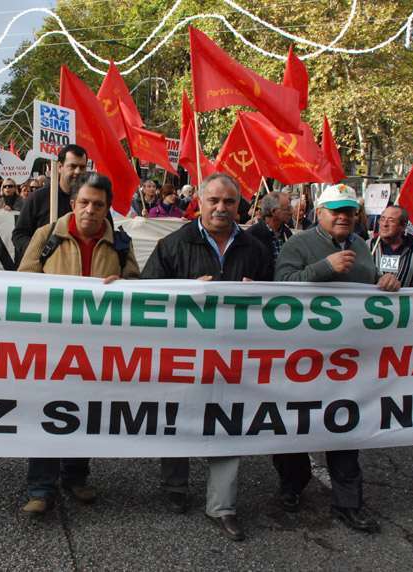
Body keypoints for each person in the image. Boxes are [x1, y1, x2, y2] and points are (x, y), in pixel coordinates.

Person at [141, 173, 272, 542]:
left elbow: (277, 303)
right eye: (213, 200)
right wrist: (183, 291)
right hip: (183, 354)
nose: (221, 208)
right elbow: (147, 294)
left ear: (238, 205)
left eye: (229, 202)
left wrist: (261, 294)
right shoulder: (173, 244)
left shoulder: (255, 249)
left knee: (229, 424)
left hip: (234, 357)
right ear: (200, 201)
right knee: (178, 418)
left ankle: (223, 506)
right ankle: (175, 486)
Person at [273, 183, 400, 534]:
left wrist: (384, 281)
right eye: (336, 211)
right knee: (297, 424)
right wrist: (324, 267)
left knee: (345, 426)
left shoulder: (360, 245)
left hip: (348, 358)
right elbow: (281, 286)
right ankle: (291, 484)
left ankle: (349, 503)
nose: (343, 217)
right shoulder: (299, 244)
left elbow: (369, 282)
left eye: (349, 211)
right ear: (319, 214)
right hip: (303, 356)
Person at [17, 172, 139, 515]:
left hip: (96, 347)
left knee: (85, 412)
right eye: (84, 202)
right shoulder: (47, 235)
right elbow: (24, 279)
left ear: (107, 208)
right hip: (52, 344)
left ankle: (75, 476)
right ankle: (40, 488)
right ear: (73, 204)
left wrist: (123, 285)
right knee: (48, 411)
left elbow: (136, 286)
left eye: (98, 205)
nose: (90, 210)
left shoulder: (121, 243)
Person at [12, 144, 87, 262]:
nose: (78, 171)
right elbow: (19, 235)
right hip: (44, 269)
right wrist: (40, 252)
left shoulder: (93, 201)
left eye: (82, 167)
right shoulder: (38, 198)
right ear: (60, 167)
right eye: (72, 166)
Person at [366, 205, 413, 287]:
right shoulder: (367, 246)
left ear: (403, 226)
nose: (384, 224)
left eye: (391, 220)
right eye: (382, 219)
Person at [245, 191, 293, 273]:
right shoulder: (252, 236)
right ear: (274, 211)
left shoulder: (287, 233)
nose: (291, 212)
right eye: (287, 209)